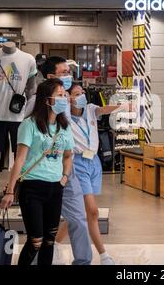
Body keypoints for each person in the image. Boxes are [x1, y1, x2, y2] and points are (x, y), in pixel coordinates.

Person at [0, 78, 74, 265]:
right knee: (36, 241)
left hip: (55, 188)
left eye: (65, 95)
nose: (64, 99)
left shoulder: (64, 127)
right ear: (46, 99)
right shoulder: (29, 124)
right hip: (32, 188)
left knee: (49, 240)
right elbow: (20, 159)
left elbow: (68, 156)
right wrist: (10, 190)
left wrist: (64, 177)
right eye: (59, 95)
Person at [27, 57, 93, 265]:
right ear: (50, 77)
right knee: (42, 229)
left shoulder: (64, 100)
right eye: (63, 72)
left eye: (68, 72)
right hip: (41, 174)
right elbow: (25, 141)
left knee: (78, 218)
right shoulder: (34, 103)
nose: (68, 76)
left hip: (66, 168)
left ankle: (83, 261)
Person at [53, 83, 129, 265]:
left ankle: (54, 244)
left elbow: (104, 109)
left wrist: (123, 106)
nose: (82, 96)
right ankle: (104, 255)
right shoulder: (63, 117)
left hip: (94, 162)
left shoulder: (90, 109)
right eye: (77, 93)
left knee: (80, 213)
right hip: (77, 162)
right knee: (92, 212)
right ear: (68, 98)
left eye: (83, 92)